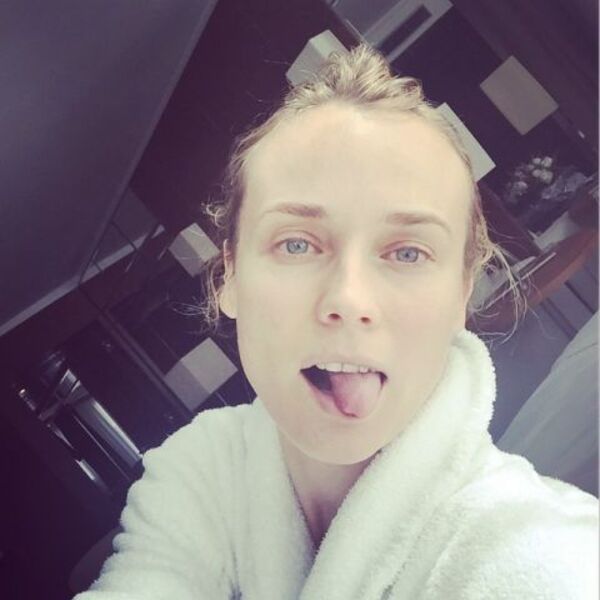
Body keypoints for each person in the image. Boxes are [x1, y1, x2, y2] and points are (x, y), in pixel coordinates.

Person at [74, 44, 598, 599]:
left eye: (408, 253)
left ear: (461, 294)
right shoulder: (201, 465)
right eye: (297, 243)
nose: (349, 299)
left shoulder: (546, 552)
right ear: (230, 277)